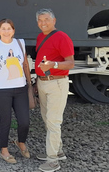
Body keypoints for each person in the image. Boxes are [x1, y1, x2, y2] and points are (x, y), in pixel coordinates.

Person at [0, 19, 32, 164]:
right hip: (1, 90)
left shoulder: (20, 43)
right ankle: (4, 150)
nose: (6, 31)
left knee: (25, 121)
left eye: (9, 28)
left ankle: (21, 142)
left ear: (13, 30)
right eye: (3, 29)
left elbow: (25, 65)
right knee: (6, 120)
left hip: (20, 88)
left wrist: (29, 83)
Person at [34, 9, 74, 172]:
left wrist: (53, 65)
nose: (43, 23)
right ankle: (58, 151)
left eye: (46, 19)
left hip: (56, 83)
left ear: (54, 20)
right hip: (44, 82)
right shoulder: (40, 37)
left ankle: (53, 161)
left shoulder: (62, 37)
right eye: (40, 20)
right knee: (48, 119)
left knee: (53, 121)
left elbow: (70, 63)